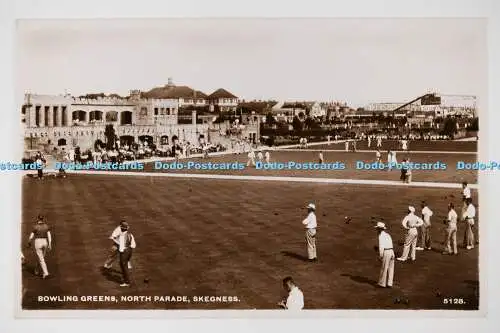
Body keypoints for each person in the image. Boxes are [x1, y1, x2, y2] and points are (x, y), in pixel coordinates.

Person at [375, 222, 394, 288]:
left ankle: (382, 283)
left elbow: (381, 246)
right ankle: (389, 283)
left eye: (377, 229)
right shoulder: (388, 235)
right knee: (391, 268)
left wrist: (380, 255)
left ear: (380, 229)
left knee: (384, 267)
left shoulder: (381, 236)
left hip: (386, 252)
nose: (376, 230)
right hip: (391, 251)